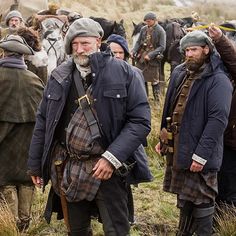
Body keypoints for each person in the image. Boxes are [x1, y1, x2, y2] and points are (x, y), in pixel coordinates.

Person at [27, 18, 152, 236]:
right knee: (76, 230)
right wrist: (35, 164)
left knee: (116, 230)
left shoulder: (127, 74)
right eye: (74, 45)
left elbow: (140, 122)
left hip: (108, 169)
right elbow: (43, 122)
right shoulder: (59, 76)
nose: (79, 49)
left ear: (98, 40)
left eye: (85, 43)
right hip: (69, 167)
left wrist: (112, 158)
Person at [157, 30, 232, 235]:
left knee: (203, 197)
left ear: (206, 50)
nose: (189, 54)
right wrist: (163, 137)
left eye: (194, 50)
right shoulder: (181, 72)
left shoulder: (219, 80)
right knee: (184, 196)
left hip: (201, 152)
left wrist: (201, 155)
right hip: (179, 147)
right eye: (186, 50)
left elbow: (218, 121)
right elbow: (169, 107)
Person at [0, 35, 44, 231]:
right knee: (26, 180)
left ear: (4, 53)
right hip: (29, 139)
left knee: (5, 180)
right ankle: (24, 224)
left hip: (3, 139)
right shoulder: (35, 79)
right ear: (23, 57)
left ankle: (9, 225)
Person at [208, 25, 236, 209]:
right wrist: (219, 39)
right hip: (228, 140)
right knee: (224, 184)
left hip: (232, 141)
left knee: (229, 189)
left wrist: (220, 40)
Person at [131, 12, 166, 100]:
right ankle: (144, 98)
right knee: (141, 78)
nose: (147, 23)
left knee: (154, 81)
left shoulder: (161, 31)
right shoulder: (143, 29)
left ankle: (157, 101)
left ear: (154, 20)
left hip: (153, 58)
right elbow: (138, 42)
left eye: (149, 21)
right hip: (142, 57)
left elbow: (162, 47)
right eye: (146, 21)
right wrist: (134, 51)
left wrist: (150, 55)